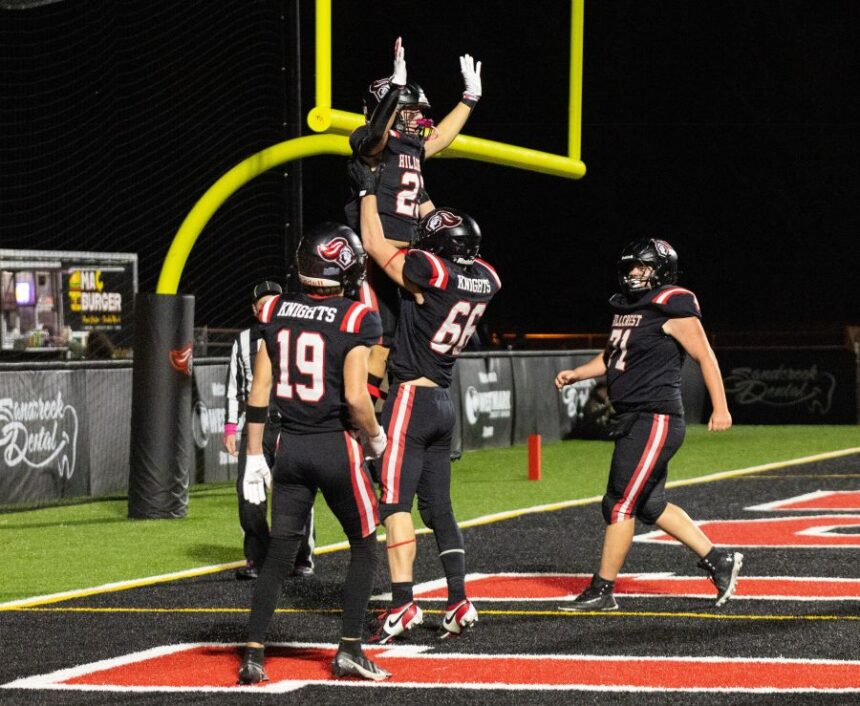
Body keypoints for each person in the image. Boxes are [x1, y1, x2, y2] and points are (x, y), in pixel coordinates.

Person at [349, 158, 501, 642]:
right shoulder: (484, 278)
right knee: (441, 509)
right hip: (444, 404)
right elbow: (447, 235)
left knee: (394, 505)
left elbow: (375, 245)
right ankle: (458, 600)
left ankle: (402, 605)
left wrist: (370, 191)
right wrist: (420, 192)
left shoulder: (430, 273)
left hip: (411, 401)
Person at [554, 238, 742, 610]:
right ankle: (720, 561)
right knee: (650, 505)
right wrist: (578, 373)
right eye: (632, 267)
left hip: (654, 416)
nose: (634, 274)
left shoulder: (672, 304)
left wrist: (720, 408)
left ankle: (602, 591)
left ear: (662, 269)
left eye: (642, 267)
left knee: (619, 503)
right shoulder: (628, 307)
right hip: (636, 417)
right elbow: (612, 357)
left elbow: (705, 356)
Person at [238, 223, 390, 683]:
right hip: (334, 446)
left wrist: (253, 457)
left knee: (280, 553)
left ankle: (252, 654)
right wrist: (376, 439)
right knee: (364, 543)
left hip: (290, 448)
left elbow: (259, 389)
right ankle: (349, 649)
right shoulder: (356, 318)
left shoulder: (275, 309)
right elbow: (357, 398)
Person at [344, 37, 483, 407]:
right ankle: (363, 423)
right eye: (407, 111)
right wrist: (395, 90)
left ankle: (389, 417)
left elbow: (440, 139)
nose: (417, 119)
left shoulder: (410, 150)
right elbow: (374, 136)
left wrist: (469, 99)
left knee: (400, 343)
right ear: (385, 109)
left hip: (405, 255)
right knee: (377, 339)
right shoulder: (370, 143)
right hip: (376, 253)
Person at [224, 282, 315, 580]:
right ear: (253, 309)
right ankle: (257, 557)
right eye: (261, 303)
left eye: (273, 301)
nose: (266, 307)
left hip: (292, 424)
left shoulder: (299, 335)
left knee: (297, 494)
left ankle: (301, 556)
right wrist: (228, 427)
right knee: (248, 495)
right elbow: (235, 388)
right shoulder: (242, 341)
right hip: (256, 427)